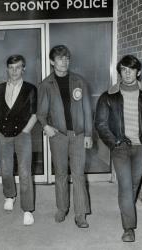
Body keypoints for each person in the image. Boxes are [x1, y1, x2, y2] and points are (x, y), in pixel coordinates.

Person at [95, 55, 142, 242]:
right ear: (119, 72)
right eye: (124, 70)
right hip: (120, 147)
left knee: (133, 185)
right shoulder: (108, 96)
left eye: (131, 69)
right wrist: (115, 142)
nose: (127, 73)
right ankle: (128, 228)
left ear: (138, 72)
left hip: (141, 147)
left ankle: (125, 210)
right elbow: (101, 123)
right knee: (126, 187)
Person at [37, 45, 93, 228]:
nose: (65, 62)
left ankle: (81, 214)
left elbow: (86, 110)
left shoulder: (79, 81)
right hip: (58, 136)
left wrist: (89, 134)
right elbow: (41, 113)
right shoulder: (46, 84)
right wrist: (46, 126)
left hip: (78, 135)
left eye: (67, 58)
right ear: (52, 62)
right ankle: (62, 208)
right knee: (61, 174)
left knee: (78, 175)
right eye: (60, 59)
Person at [0, 55, 37, 225]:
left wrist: (25, 131)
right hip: (3, 135)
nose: (14, 71)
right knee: (5, 169)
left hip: (22, 135)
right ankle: (9, 195)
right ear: (7, 69)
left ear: (23, 69)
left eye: (18, 67)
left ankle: (27, 209)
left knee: (25, 173)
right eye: (11, 67)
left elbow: (34, 114)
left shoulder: (30, 89)